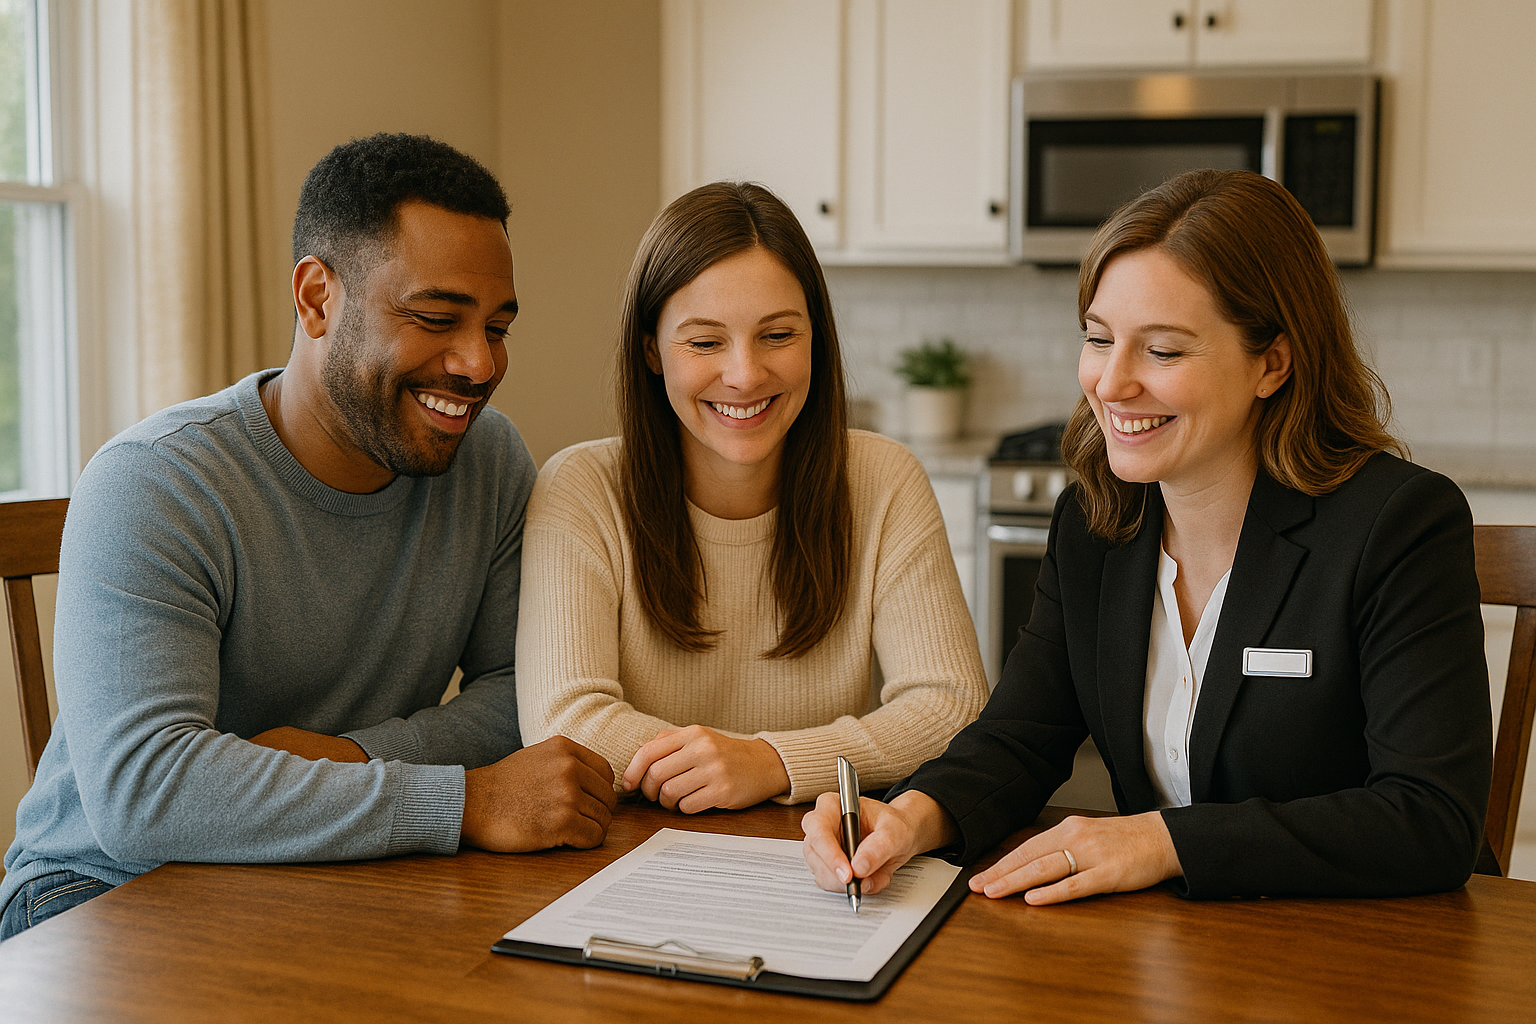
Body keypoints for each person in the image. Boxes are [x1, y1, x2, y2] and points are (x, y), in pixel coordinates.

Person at [803, 168, 1493, 903]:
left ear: (1273, 363)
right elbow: (1020, 735)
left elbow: (1431, 818)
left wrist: (1163, 840)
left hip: (1370, 956)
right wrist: (911, 815)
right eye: (1099, 339)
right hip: (1173, 951)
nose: (1111, 382)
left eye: (1162, 351)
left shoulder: (1398, 524)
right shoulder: (1097, 523)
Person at [1, 134, 617, 940]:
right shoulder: (154, 483)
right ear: (318, 298)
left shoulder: (490, 459)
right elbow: (147, 793)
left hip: (338, 868)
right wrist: (465, 799)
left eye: (497, 326)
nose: (477, 363)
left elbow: (516, 697)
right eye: (436, 318)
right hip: (101, 893)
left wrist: (349, 758)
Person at [515, 181, 988, 812]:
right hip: (631, 855)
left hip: (818, 853)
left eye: (778, 336)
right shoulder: (581, 488)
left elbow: (952, 707)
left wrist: (768, 763)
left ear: (816, 337)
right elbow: (563, 718)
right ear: (652, 349)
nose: (743, 375)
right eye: (705, 341)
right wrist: (725, 767)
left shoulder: (883, 480)